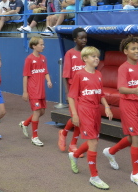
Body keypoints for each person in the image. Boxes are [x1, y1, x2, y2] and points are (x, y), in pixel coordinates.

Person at [103, 35, 138, 188]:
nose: (137, 51)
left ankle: (111, 151)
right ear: (125, 51)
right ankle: (135, 174)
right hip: (128, 105)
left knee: (131, 137)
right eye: (133, 48)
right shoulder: (123, 67)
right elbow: (121, 88)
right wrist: (133, 91)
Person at [68, 46, 112, 190]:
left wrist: (106, 106)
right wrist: (75, 114)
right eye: (93, 56)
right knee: (93, 142)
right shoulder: (79, 74)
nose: (96, 58)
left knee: (93, 140)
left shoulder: (99, 74)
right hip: (84, 111)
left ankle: (74, 155)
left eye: (97, 56)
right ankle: (94, 177)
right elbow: (71, 96)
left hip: (96, 111)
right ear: (85, 59)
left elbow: (101, 94)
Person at [58, 28, 87, 158]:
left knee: (80, 120)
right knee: (77, 118)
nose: (84, 40)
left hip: (85, 92)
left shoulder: (87, 54)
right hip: (73, 93)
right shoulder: (70, 54)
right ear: (75, 39)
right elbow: (65, 75)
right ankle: (66, 136)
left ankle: (70, 141)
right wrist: (66, 93)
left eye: (85, 38)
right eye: (81, 38)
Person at [19, 36, 52, 147]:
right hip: (33, 90)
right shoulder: (29, 59)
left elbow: (45, 71)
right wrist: (25, 92)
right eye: (41, 44)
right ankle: (35, 137)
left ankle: (25, 123)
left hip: (41, 90)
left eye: (43, 44)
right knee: (37, 112)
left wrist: (48, 81)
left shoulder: (43, 58)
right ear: (34, 46)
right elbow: (25, 76)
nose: (43, 46)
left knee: (41, 112)